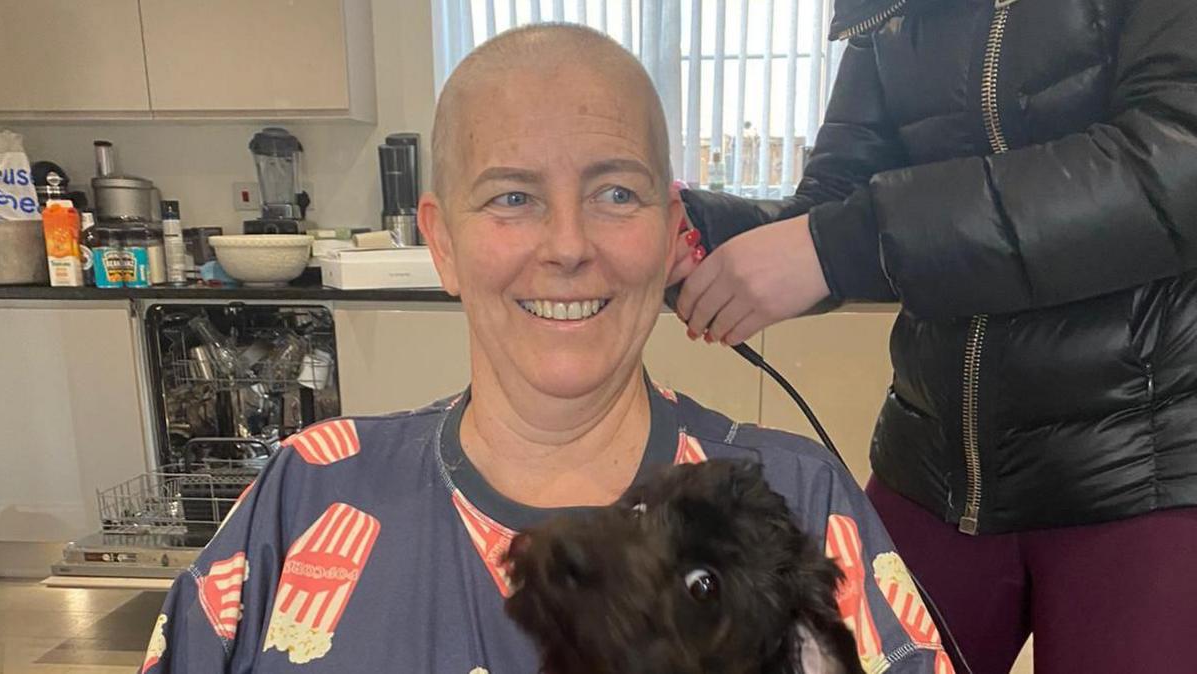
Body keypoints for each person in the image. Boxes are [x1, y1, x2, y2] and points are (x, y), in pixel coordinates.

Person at [141, 24, 951, 674]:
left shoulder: (802, 501)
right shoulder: (307, 494)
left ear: (672, 233)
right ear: (443, 243)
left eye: (615, 193)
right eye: (513, 196)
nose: (567, 244)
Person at [672, 0, 1197, 671]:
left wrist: (843, 242)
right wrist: (693, 234)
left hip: (1143, 470)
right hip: (933, 469)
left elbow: (1170, 164)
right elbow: (837, 208)